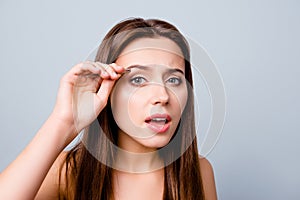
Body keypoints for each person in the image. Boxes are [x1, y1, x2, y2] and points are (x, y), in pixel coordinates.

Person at [0, 18, 217, 200]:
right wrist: (63, 121)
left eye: (173, 80)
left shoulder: (199, 172)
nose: (162, 96)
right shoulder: (69, 171)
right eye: (139, 79)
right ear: (108, 89)